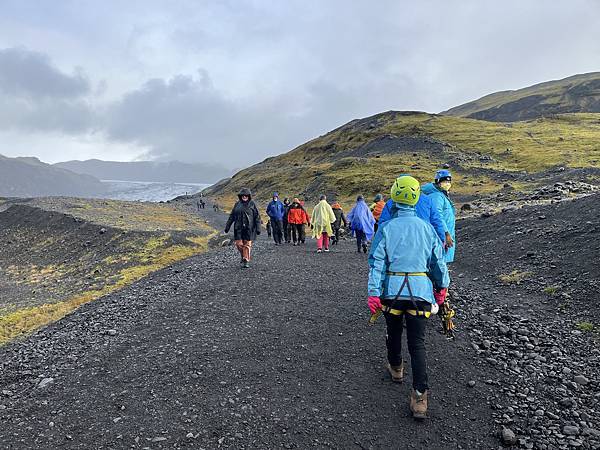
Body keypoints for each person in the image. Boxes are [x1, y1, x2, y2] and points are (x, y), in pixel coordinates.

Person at [368, 175, 449, 419]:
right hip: (421, 294)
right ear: (416, 198)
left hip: (392, 295)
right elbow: (438, 263)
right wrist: (441, 288)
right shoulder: (426, 229)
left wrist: (374, 292)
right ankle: (420, 397)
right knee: (417, 343)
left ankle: (396, 369)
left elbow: (376, 263)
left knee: (393, 333)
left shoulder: (386, 229)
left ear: (394, 196)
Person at [379, 176, 446, 244]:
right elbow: (437, 222)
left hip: (396, 241)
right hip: (423, 240)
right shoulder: (427, 200)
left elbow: (383, 225)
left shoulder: (391, 202)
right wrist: (442, 240)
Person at [421, 169, 456, 263]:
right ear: (438, 182)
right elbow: (437, 216)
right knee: (440, 263)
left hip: (445, 233)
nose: (447, 184)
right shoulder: (436, 196)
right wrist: (446, 233)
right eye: (445, 181)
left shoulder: (441, 195)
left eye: (449, 181)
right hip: (442, 235)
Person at [224, 188, 261, 269]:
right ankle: (243, 255)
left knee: (247, 245)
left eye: (246, 195)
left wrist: (258, 228)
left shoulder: (252, 204)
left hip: (249, 229)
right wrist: (227, 226)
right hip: (238, 228)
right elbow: (232, 216)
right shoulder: (237, 204)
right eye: (243, 195)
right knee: (239, 244)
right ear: (240, 196)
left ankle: (246, 260)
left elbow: (257, 217)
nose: (244, 196)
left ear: (248, 196)